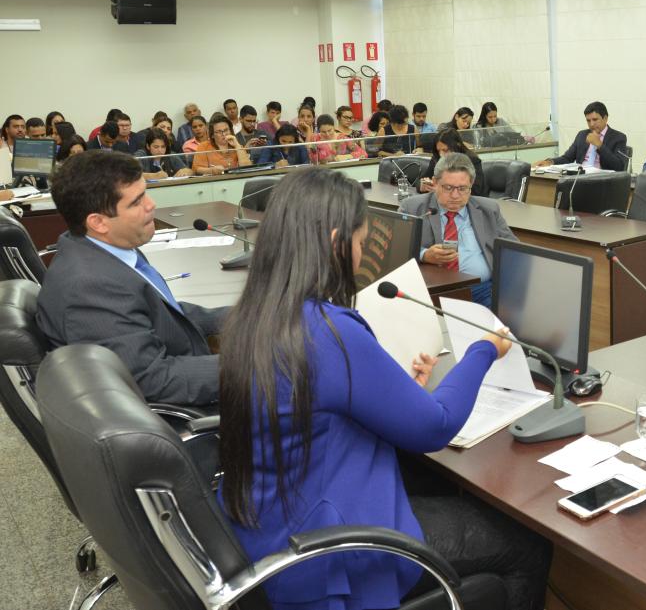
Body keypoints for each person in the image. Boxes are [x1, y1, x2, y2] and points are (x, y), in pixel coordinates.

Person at [217, 167, 550, 610]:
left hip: (271, 519)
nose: (359, 254)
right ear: (337, 241)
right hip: (333, 543)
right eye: (359, 242)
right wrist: (485, 350)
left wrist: (397, 392)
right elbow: (437, 427)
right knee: (527, 544)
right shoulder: (331, 331)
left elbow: (322, 404)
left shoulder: (253, 314)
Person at [36, 151, 225, 404]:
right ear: (99, 222)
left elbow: (167, 315)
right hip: (181, 415)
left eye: (145, 192)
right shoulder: (91, 288)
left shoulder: (107, 249)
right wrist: (257, 367)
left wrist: (253, 316)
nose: (151, 205)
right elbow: (152, 379)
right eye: (136, 202)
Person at [401, 152, 516, 306]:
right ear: (435, 183)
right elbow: (397, 249)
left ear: (471, 185)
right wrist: (424, 255)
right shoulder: (414, 208)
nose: (455, 195)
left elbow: (513, 248)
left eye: (462, 188)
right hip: (436, 292)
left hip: (484, 289)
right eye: (448, 188)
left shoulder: (489, 209)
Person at [534, 102, 628, 171]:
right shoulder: (582, 135)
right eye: (588, 120)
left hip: (603, 181)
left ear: (605, 118)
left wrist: (599, 145)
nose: (591, 124)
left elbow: (619, 166)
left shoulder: (618, 137)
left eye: (595, 119)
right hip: (580, 177)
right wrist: (550, 162)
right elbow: (567, 158)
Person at [419, 128, 486, 197]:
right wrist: (422, 186)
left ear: (458, 145)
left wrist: (442, 190)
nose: (441, 155)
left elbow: (476, 190)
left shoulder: (473, 160)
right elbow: (420, 180)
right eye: (438, 150)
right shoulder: (436, 158)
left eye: (445, 150)